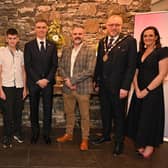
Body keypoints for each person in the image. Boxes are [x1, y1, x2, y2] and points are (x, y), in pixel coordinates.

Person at [92, 15, 137, 156]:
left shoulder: (129, 41)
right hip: (104, 86)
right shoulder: (102, 42)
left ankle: (119, 142)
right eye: (111, 25)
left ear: (121, 26)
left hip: (119, 87)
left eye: (117, 25)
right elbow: (99, 63)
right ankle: (106, 135)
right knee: (105, 112)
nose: (113, 27)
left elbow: (131, 66)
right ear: (106, 25)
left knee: (118, 115)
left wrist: (125, 87)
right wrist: (96, 81)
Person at [126, 26, 168, 158]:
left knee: (150, 118)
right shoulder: (139, 54)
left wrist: (147, 90)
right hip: (139, 90)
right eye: (145, 36)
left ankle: (150, 145)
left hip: (153, 91)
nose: (148, 38)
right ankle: (140, 142)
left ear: (156, 37)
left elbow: (162, 75)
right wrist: (137, 89)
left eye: (151, 35)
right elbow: (135, 72)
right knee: (139, 117)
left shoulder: (162, 52)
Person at [56, 25, 96, 151]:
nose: (77, 36)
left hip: (83, 88)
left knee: (85, 115)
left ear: (83, 35)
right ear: (71, 35)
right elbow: (60, 67)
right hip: (68, 88)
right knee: (69, 113)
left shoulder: (90, 50)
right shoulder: (66, 49)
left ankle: (85, 138)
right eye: (75, 34)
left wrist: (72, 80)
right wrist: (67, 80)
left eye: (80, 33)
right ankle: (69, 134)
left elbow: (89, 70)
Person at [24, 19, 58, 144]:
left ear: (47, 29)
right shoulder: (29, 46)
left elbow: (54, 65)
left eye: (43, 27)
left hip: (48, 83)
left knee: (47, 109)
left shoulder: (52, 45)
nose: (41, 29)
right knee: (34, 109)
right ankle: (35, 133)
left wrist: (47, 79)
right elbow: (28, 66)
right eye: (39, 27)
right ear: (35, 29)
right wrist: (38, 80)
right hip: (34, 83)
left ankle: (46, 134)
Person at [0, 28, 27, 148]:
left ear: (18, 39)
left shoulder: (20, 54)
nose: (12, 40)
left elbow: (23, 71)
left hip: (19, 87)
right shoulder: (1, 52)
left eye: (14, 38)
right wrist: (0, 89)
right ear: (6, 39)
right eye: (10, 38)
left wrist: (25, 88)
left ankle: (17, 133)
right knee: (7, 113)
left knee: (17, 112)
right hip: (6, 86)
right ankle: (7, 136)